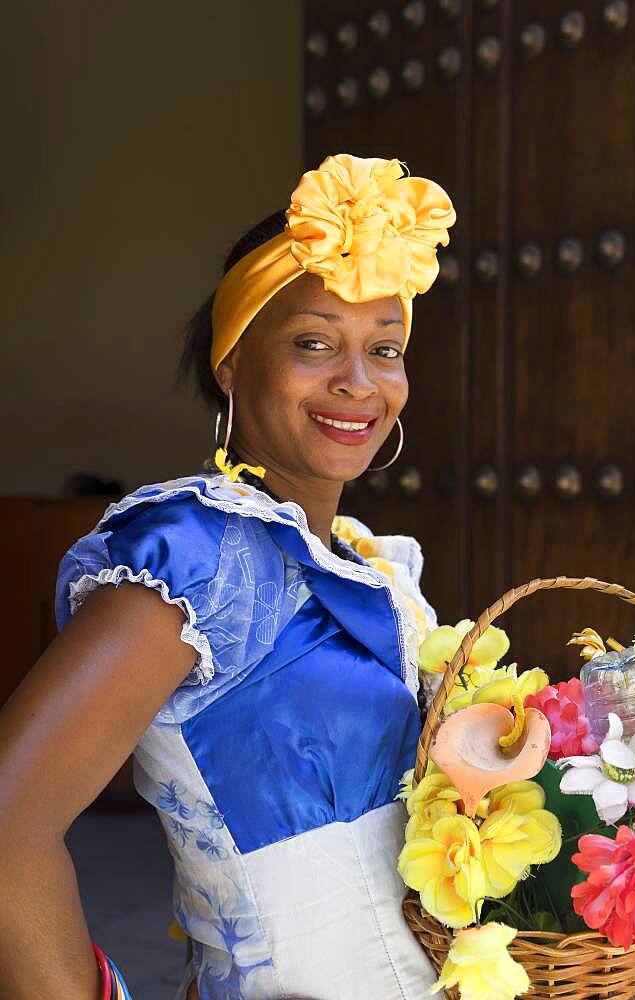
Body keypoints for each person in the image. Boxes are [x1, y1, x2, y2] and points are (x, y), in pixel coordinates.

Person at [0, 153, 456, 1000]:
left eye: (383, 349)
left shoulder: (365, 561)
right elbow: (7, 824)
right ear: (232, 364)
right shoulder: (197, 558)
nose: (358, 382)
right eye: (314, 342)